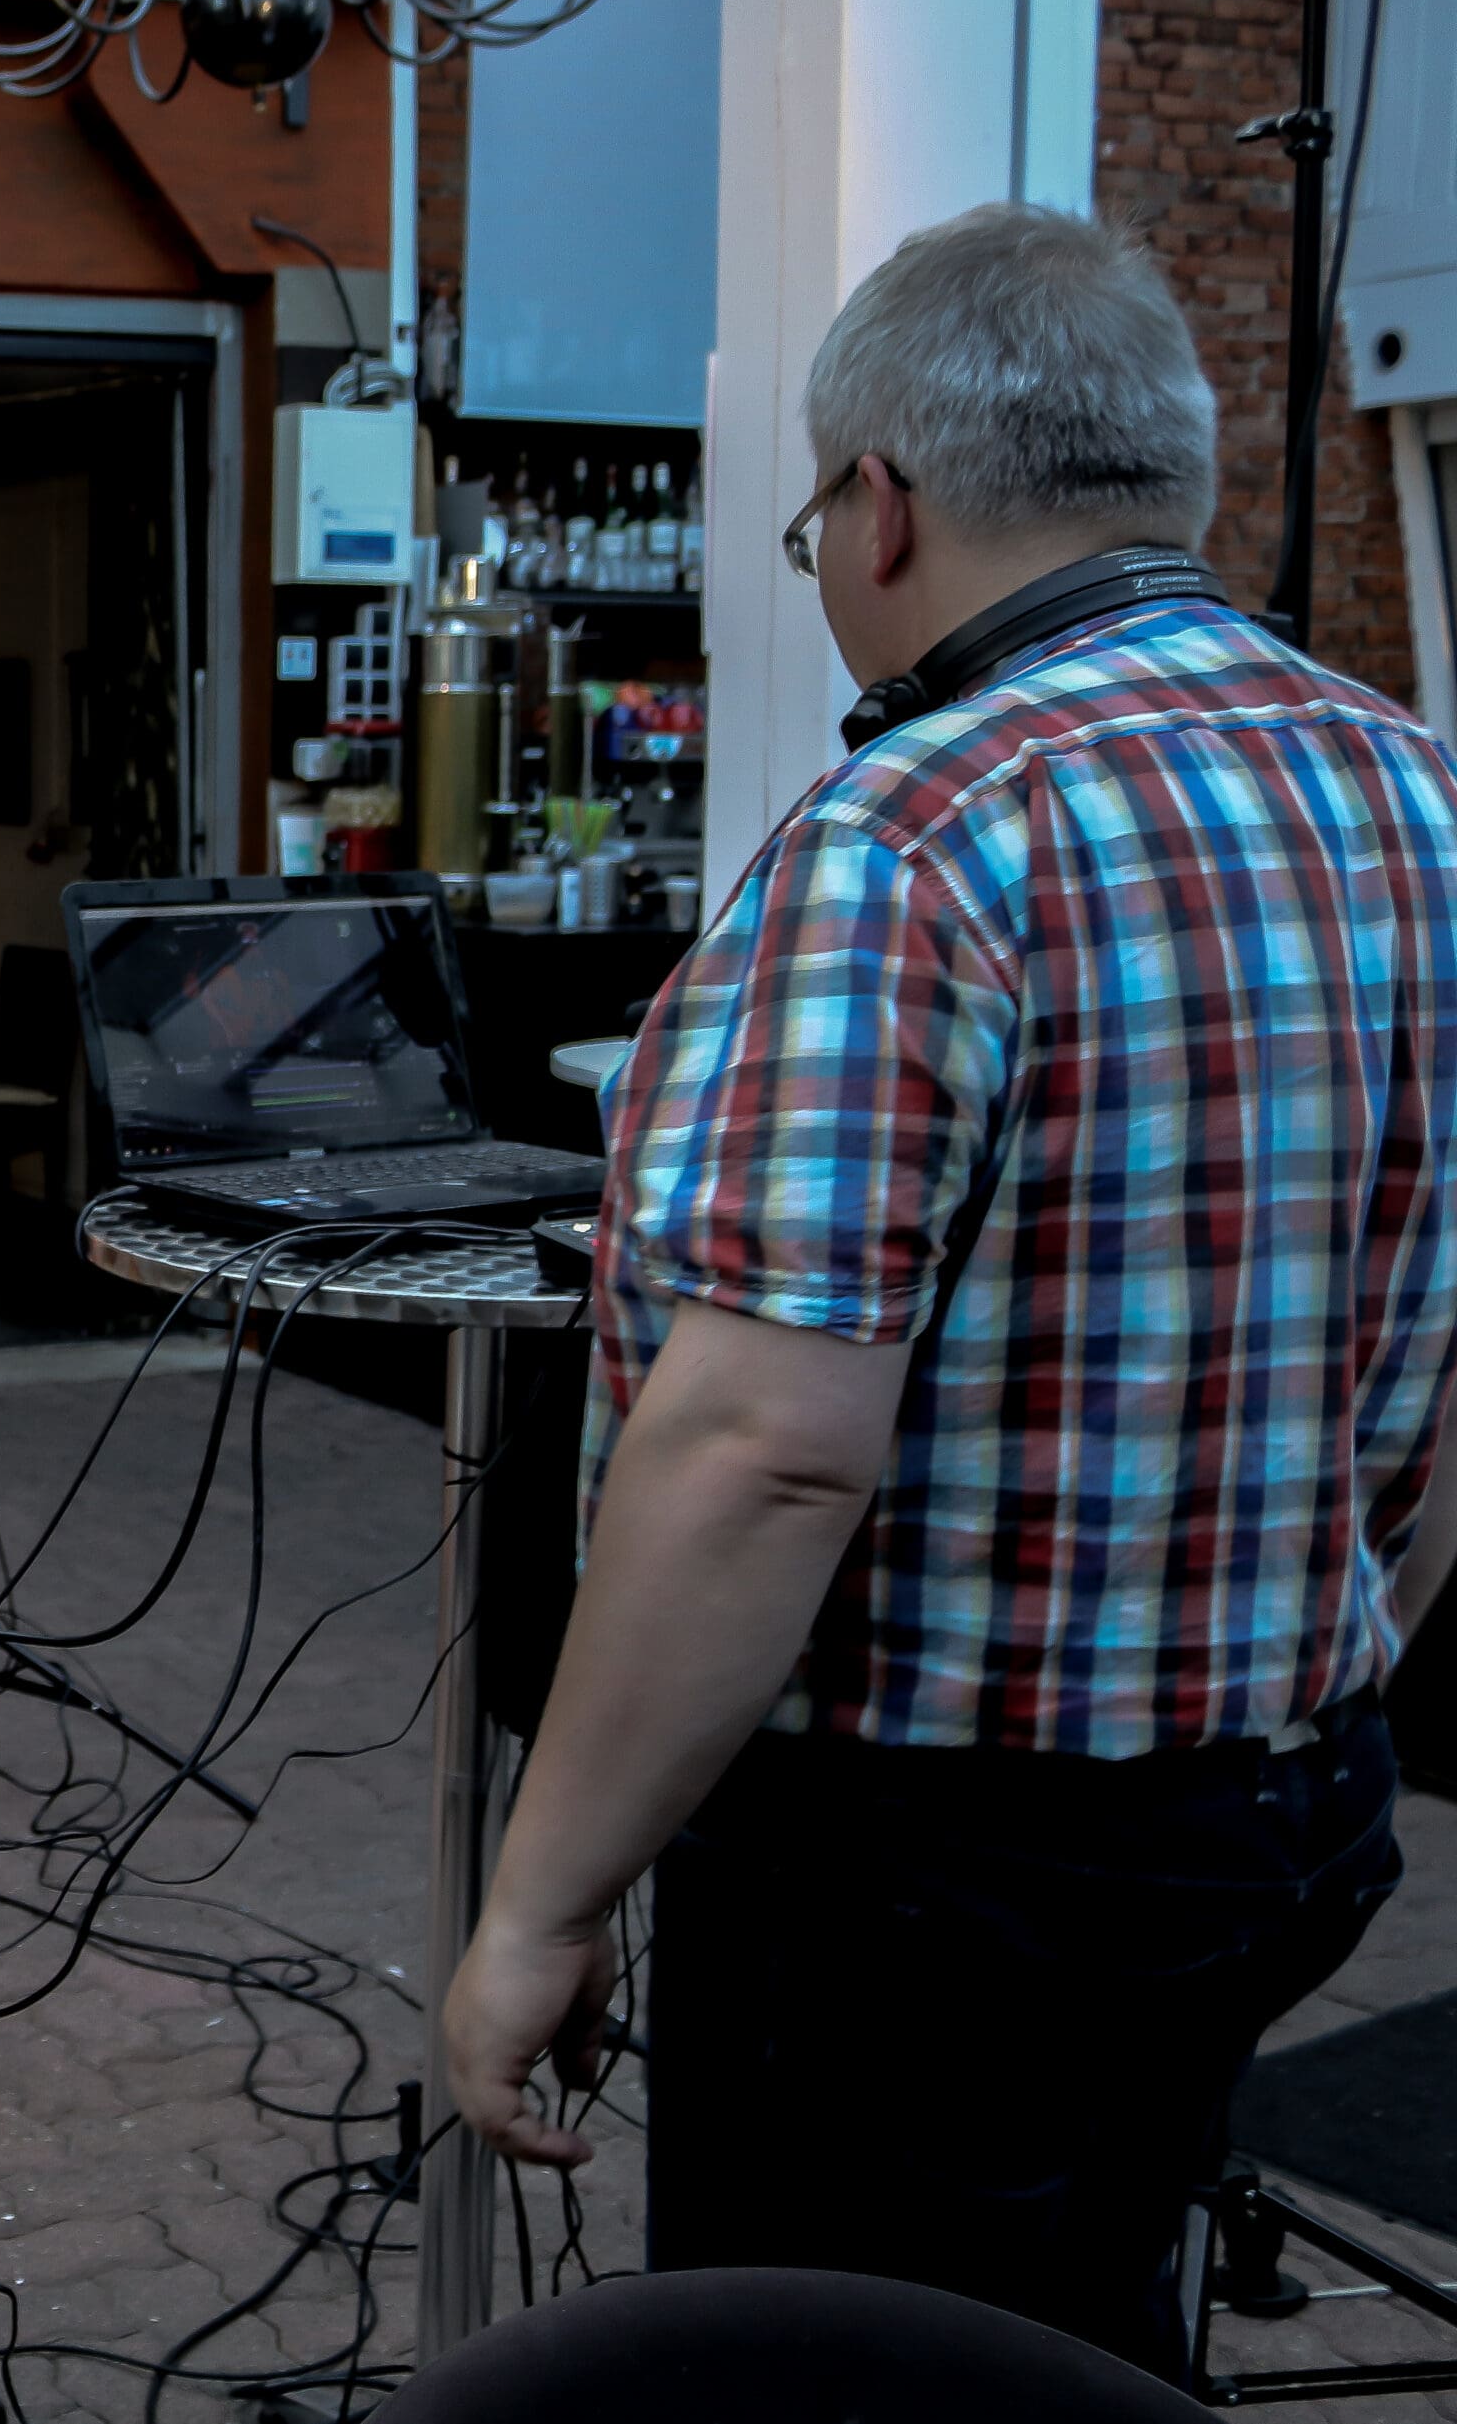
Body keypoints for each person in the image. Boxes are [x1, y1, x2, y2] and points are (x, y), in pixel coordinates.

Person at [439, 204, 1457, 2378]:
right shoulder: (1421, 792)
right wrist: (1331, 1645)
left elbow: (760, 1452)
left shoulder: (918, 833)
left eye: (815, 519)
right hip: (1276, 1809)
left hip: (935, 1880)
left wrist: (539, 1904)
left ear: (878, 506)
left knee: (852, 2372)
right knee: (1092, 2341)